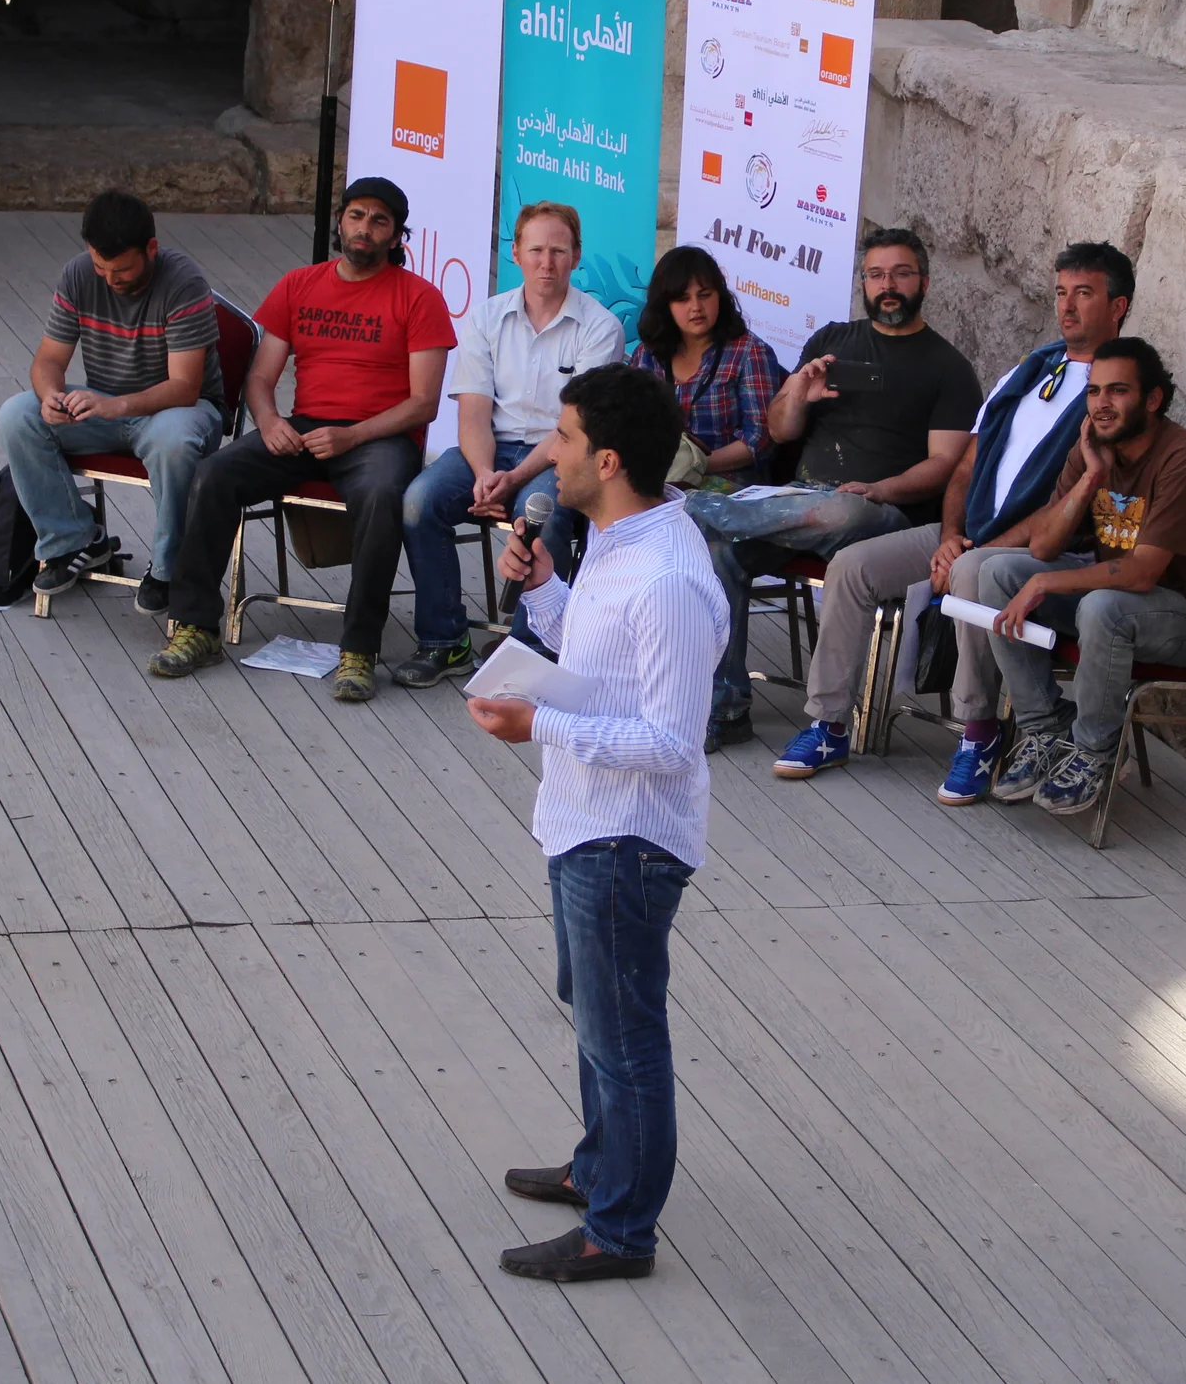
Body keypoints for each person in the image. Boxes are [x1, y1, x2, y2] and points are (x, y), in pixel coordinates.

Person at [464, 363, 727, 1283]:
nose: (551, 450)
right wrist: (542, 593)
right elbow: (598, 654)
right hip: (584, 822)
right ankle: (597, 1168)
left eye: (565, 438)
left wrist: (538, 720)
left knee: (625, 1038)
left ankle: (621, 1231)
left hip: (627, 841)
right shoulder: (622, 536)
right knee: (595, 1017)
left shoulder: (667, 579)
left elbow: (670, 741)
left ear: (607, 459)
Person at [769, 243, 1135, 790]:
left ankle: (978, 732)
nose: (1068, 307)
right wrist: (949, 534)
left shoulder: (1117, 394)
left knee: (969, 574)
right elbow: (964, 466)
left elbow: (1073, 509)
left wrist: (970, 549)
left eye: (1084, 294)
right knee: (851, 567)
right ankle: (827, 723)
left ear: (1118, 306)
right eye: (1061, 293)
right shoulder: (1034, 368)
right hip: (968, 535)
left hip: (1038, 551)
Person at [148, 178, 454, 701]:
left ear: (397, 235)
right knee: (215, 474)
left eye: (379, 221)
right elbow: (261, 379)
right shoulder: (299, 284)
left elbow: (423, 403)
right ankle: (196, 627)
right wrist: (269, 423)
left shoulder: (420, 298)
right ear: (339, 221)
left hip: (380, 436)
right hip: (303, 426)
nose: (365, 229)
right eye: (356, 216)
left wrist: (352, 434)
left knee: (383, 496)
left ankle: (359, 649)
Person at [684, 229, 982, 750]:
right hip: (796, 506)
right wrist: (799, 392)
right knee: (720, 556)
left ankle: (695, 508)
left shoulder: (949, 368)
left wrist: (882, 489)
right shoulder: (830, 342)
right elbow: (778, 430)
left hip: (882, 516)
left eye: (901, 273)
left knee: (842, 510)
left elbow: (946, 465)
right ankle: (726, 707)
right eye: (875, 274)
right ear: (863, 283)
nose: (887, 285)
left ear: (925, 282)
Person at [975, 337, 1186, 816]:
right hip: (1121, 601)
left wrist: (1043, 583)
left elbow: (1142, 573)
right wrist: (1089, 479)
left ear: (1153, 399)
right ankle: (1045, 728)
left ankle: (1094, 752)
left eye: (1117, 391)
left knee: (1102, 605)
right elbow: (1042, 547)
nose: (1102, 404)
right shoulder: (1093, 446)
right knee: (998, 571)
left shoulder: (1184, 459)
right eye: (1094, 391)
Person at [392, 203, 624, 688]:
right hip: (489, 450)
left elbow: (574, 431)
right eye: (536, 249)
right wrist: (482, 474)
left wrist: (513, 478)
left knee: (546, 513)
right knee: (419, 500)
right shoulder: (487, 317)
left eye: (558, 251)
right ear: (515, 252)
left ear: (576, 256)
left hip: (560, 454)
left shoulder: (601, 328)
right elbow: (472, 410)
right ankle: (443, 640)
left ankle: (527, 651)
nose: (547, 262)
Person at [0, 191, 225, 612]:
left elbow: (185, 387)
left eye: (122, 269)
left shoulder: (184, 282)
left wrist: (115, 406)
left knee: (173, 441)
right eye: (100, 266)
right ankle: (72, 541)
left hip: (178, 411)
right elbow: (48, 358)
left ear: (150, 249)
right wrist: (50, 397)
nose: (109, 279)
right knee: (17, 416)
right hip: (104, 405)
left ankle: (170, 570)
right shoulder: (79, 274)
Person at [628, 245, 784, 488]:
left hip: (729, 481)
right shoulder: (647, 355)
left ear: (719, 296)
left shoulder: (750, 352)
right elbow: (629, 424)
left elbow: (760, 439)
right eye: (682, 299)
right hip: (659, 476)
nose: (696, 307)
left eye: (705, 295)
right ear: (664, 305)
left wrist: (693, 465)